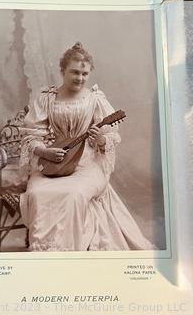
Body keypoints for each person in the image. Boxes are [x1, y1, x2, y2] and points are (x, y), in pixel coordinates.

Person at [19, 42, 152, 251]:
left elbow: (111, 137)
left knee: (74, 194)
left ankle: (69, 250)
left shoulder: (95, 99)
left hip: (88, 166)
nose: (79, 78)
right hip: (56, 162)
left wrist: (99, 138)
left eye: (84, 73)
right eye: (74, 72)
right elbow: (31, 134)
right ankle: (43, 251)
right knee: (37, 193)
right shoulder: (47, 98)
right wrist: (44, 151)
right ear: (62, 71)